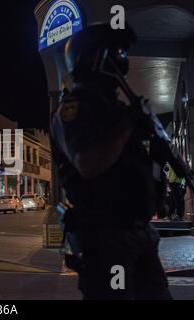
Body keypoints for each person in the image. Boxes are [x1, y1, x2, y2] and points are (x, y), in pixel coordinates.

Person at [51, 24, 171, 300]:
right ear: (93, 58)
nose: (122, 60)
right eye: (115, 52)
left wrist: (156, 157)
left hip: (140, 232)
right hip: (107, 237)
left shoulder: (115, 109)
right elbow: (88, 164)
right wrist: (129, 122)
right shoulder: (74, 108)